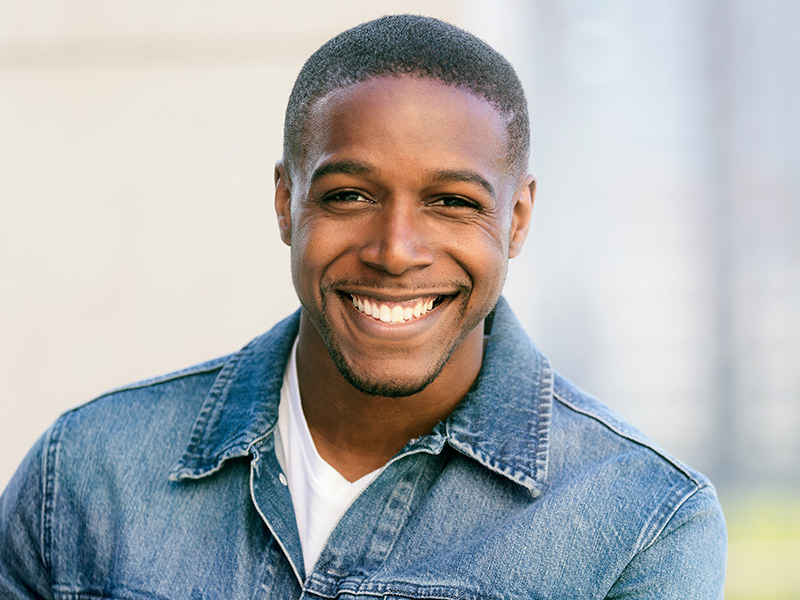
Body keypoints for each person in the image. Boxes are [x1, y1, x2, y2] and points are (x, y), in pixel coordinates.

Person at [0, 15, 726, 599]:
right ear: (287, 202)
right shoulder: (87, 473)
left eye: (452, 203)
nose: (395, 249)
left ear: (517, 219)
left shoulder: (643, 523)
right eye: (349, 195)